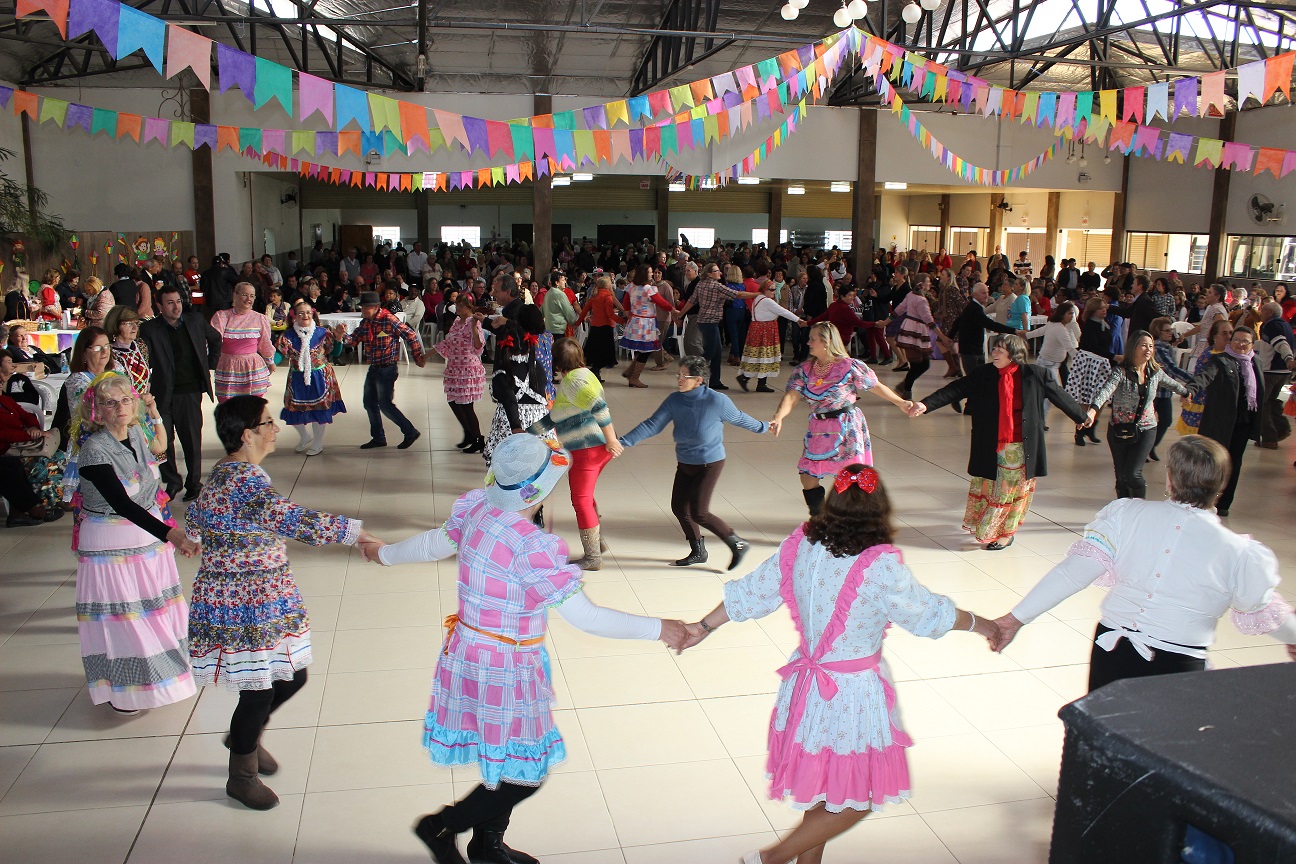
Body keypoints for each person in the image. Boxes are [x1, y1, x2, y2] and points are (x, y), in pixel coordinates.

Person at [355, 434, 687, 864]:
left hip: (470, 653)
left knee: (505, 752)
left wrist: (385, 555)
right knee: (526, 774)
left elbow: (433, 544)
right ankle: (442, 825)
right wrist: (662, 629)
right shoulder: (533, 548)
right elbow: (587, 617)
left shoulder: (478, 508)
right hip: (504, 665)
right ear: (546, 489)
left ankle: (486, 845)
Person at [684, 465, 999, 864]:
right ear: (880, 508)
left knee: (824, 786)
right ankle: (767, 859)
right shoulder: (879, 565)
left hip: (806, 686)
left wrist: (702, 626)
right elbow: (928, 615)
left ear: (831, 501)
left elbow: (752, 593)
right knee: (860, 795)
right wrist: (983, 624)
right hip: (851, 694)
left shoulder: (800, 544)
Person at [186, 395, 380, 809]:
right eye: (268, 423)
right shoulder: (244, 479)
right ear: (247, 435)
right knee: (258, 691)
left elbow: (197, 521)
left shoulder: (227, 473)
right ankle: (241, 774)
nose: (276, 429)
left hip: (260, 593)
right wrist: (353, 534)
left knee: (292, 677)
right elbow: (289, 518)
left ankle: (246, 736)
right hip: (242, 600)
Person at [993, 435, 1296, 691]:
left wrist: (1015, 618)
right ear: (1222, 484)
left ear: (1171, 477)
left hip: (1112, 651)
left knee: (1104, 743)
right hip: (1177, 662)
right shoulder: (1240, 553)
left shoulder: (1126, 515)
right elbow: (1265, 611)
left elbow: (1073, 574)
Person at [70, 372, 197, 714]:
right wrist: (171, 533)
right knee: (126, 619)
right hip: (111, 547)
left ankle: (163, 676)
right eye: (110, 403)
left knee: (156, 611)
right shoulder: (95, 450)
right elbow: (121, 504)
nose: (120, 408)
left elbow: (152, 474)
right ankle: (127, 690)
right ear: (97, 411)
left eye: (125, 400)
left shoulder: (137, 434)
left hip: (148, 542)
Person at [912, 334, 1089, 550]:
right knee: (991, 487)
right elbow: (956, 389)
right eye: (994, 348)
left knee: (1012, 491)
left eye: (1000, 350)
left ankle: (1006, 533)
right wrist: (925, 405)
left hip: (1022, 446)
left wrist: (1080, 417)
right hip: (991, 443)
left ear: (1014, 354)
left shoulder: (1035, 374)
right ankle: (995, 527)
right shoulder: (984, 373)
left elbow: (1059, 395)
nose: (994, 353)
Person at [620, 355, 770, 569]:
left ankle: (736, 543)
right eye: (678, 375)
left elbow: (739, 418)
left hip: (710, 463)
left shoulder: (716, 400)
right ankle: (698, 551)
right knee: (679, 507)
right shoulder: (674, 400)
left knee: (700, 512)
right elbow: (652, 425)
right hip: (685, 462)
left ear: (699, 380)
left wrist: (764, 426)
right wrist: (623, 442)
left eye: (684, 376)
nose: (679, 379)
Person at [770, 322, 913, 516]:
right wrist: (779, 416)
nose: (808, 342)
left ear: (827, 342)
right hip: (819, 427)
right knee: (807, 476)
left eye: (813, 339)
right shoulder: (804, 369)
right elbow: (792, 395)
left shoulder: (849, 366)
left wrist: (900, 402)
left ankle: (855, 518)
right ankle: (819, 516)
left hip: (847, 426)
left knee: (852, 475)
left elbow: (875, 386)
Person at [529, 338, 622, 570]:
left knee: (580, 501)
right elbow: (559, 414)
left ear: (556, 362)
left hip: (587, 450)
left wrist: (611, 439)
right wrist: (530, 433)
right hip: (594, 449)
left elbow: (599, 407)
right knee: (586, 497)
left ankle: (592, 558)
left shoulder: (573, 382)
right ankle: (597, 544)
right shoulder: (585, 374)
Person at [1086, 330, 1191, 499]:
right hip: (1118, 430)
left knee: (1133, 474)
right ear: (1133, 347)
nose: (1148, 349)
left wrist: (1187, 394)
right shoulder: (1120, 372)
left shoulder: (1155, 373)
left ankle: (1139, 508)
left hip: (1146, 429)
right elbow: (1105, 391)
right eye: (1143, 345)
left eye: (1151, 346)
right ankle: (1123, 511)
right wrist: (1092, 411)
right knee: (1121, 476)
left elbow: (1175, 385)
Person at [140, 286, 221, 501]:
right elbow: (143, 358)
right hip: (161, 394)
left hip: (190, 391)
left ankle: (194, 483)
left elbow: (216, 339)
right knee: (162, 441)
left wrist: (209, 364)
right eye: (170, 303)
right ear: (159, 306)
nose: (176, 306)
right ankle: (172, 480)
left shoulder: (194, 320)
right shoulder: (150, 329)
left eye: (178, 301)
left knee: (191, 439)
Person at [336, 291, 426, 450]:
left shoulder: (388, 319)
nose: (363, 310)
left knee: (385, 404)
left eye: (366, 307)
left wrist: (417, 356)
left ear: (376, 307)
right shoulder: (365, 323)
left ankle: (410, 431)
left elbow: (411, 335)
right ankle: (378, 437)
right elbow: (353, 341)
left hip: (388, 368)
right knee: (369, 403)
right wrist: (342, 336)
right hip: (374, 367)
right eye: (362, 307)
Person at [1190, 326, 1264, 518]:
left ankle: (1224, 503)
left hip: (1244, 422)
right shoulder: (1221, 360)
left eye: (1245, 341)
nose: (1240, 344)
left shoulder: (1256, 363)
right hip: (1221, 421)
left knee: (1235, 461)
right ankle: (1204, 498)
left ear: (1252, 345)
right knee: (1215, 461)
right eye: (1236, 340)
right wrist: (1191, 389)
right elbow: (1204, 377)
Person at [277, 300, 345, 456]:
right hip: (297, 377)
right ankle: (305, 436)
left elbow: (334, 353)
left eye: (308, 312)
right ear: (294, 316)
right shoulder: (288, 335)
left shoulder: (323, 332)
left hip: (320, 376)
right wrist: (268, 363)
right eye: (301, 313)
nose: (305, 315)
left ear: (313, 313)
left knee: (319, 410)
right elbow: (279, 354)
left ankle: (317, 443)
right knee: (292, 409)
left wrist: (339, 338)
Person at [0, 360, 64, 527]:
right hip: (7, 447)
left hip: (15, 447)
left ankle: (19, 512)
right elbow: (3, 434)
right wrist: (26, 435)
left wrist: (34, 426)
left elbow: (26, 415)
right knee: (11, 467)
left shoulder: (5, 401)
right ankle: (34, 508)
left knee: (14, 466)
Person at [676, 263, 759, 391]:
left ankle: (713, 380)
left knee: (717, 351)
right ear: (709, 273)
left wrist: (680, 315)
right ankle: (694, 375)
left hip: (703, 322)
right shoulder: (717, 287)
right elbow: (738, 294)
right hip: (710, 323)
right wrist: (757, 294)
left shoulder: (701, 284)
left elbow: (691, 301)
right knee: (709, 353)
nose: (719, 272)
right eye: (716, 271)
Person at [483, 319, 553, 464]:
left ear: (506, 348)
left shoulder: (502, 373)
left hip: (513, 422)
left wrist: (516, 427)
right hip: (539, 421)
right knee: (536, 462)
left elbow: (509, 400)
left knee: (512, 465)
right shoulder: (537, 367)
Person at [433, 294, 488, 454]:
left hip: (468, 368)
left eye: (460, 306)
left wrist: (474, 329)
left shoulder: (474, 322)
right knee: (453, 401)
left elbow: (478, 346)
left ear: (469, 308)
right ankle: (469, 433)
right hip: (455, 366)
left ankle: (478, 438)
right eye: (456, 305)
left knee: (466, 405)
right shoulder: (458, 321)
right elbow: (448, 342)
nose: (456, 309)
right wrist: (426, 355)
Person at [211, 282, 276, 403]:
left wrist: (270, 362)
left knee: (252, 407)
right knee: (228, 406)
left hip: (252, 368)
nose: (248, 299)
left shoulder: (260, 318)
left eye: (252, 296)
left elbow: (265, 343)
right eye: (245, 295)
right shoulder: (221, 316)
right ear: (235, 295)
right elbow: (214, 342)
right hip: (228, 368)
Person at [736, 277, 803, 392]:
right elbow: (783, 311)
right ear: (765, 290)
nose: (773, 291)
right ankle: (753, 381)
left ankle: (752, 380)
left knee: (758, 356)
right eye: (771, 289)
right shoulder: (767, 301)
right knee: (764, 356)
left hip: (758, 329)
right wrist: (798, 320)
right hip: (765, 329)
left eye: (774, 289)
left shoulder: (758, 298)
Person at [1066, 296, 1116, 445]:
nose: (1104, 311)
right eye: (1101, 308)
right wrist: (1113, 356)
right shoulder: (1089, 326)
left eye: (1105, 308)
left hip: (1101, 365)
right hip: (1089, 366)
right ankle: (1079, 431)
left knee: (1099, 397)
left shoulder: (1104, 325)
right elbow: (1092, 347)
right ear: (1093, 311)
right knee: (1085, 399)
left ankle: (1091, 427)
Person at [617, 264, 677, 388]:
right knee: (646, 350)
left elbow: (626, 304)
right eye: (650, 272)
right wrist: (673, 310)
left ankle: (630, 372)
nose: (652, 274)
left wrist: (630, 313)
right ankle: (634, 377)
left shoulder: (631, 287)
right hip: (646, 324)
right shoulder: (648, 289)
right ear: (645, 274)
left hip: (635, 322)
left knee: (642, 349)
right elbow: (660, 302)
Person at [1022, 301, 1080, 428]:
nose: (1072, 316)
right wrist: (1084, 362)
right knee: (1051, 395)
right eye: (1070, 314)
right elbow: (1070, 349)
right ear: (1062, 314)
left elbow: (1038, 332)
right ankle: (1038, 421)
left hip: (1048, 364)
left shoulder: (1055, 325)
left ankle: (1038, 420)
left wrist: (1027, 335)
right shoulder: (1059, 329)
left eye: (1073, 314)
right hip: (1047, 366)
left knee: (1044, 395)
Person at [1176, 318, 1233, 438]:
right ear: (1214, 336)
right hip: (1205, 404)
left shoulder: (1233, 354)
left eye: (1231, 333)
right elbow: (1201, 379)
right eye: (1224, 333)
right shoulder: (1210, 355)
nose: (1228, 336)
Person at [1149, 316, 1195, 461]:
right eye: (1166, 331)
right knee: (1150, 421)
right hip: (1156, 390)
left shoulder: (1165, 346)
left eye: (1171, 330)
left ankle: (1149, 446)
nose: (1170, 333)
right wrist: (1193, 380)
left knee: (1165, 420)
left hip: (1164, 391)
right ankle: (1146, 447)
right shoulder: (1159, 347)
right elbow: (1172, 367)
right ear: (1158, 331)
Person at [1257, 301, 1296, 449]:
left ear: (1270, 313)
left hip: (1271, 372)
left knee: (1262, 404)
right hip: (1283, 372)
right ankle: (1281, 429)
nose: (1260, 312)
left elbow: (1281, 344)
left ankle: (1270, 438)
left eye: (1263, 310)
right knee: (1271, 402)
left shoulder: (1272, 326)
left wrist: (1289, 359)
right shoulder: (1285, 324)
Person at [893, 283, 937, 400]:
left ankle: (904, 386)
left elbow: (899, 309)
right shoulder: (920, 299)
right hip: (914, 332)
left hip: (916, 331)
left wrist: (886, 321)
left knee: (924, 364)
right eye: (928, 281)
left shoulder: (913, 295)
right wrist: (941, 336)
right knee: (917, 364)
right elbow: (929, 319)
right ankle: (906, 391)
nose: (930, 283)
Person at [577, 276, 624, 382]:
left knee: (595, 351)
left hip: (595, 327)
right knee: (605, 352)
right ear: (608, 285)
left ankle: (595, 371)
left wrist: (578, 322)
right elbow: (610, 314)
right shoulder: (608, 297)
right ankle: (595, 371)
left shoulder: (594, 297)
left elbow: (584, 310)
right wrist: (623, 321)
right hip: (606, 327)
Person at [105, 305, 151, 396]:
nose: (135, 327)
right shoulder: (108, 352)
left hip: (142, 405)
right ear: (115, 325)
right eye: (129, 323)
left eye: (136, 323)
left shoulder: (140, 346)